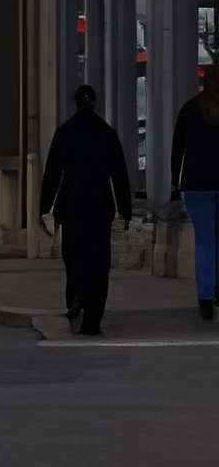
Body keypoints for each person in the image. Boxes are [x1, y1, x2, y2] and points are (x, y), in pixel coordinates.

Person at [38, 83, 136, 336]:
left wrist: (44, 207)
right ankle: (94, 314)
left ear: (75, 103)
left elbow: (51, 174)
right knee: (99, 260)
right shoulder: (107, 133)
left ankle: (77, 297)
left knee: (74, 256)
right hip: (99, 206)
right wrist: (126, 209)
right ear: (95, 103)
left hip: (71, 205)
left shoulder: (65, 132)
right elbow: (120, 175)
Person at [173, 65, 219, 324]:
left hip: (197, 186)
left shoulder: (190, 110)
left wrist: (173, 184)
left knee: (204, 242)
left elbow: (177, 149)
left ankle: (205, 298)